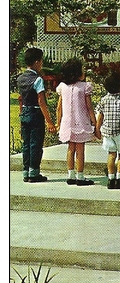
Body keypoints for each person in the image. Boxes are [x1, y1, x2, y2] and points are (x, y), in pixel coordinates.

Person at [17, 47, 57, 182]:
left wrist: (21, 112)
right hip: (35, 113)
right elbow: (42, 101)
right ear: (36, 62)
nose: (41, 64)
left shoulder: (21, 78)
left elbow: (21, 98)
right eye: (41, 61)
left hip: (25, 113)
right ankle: (34, 173)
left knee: (26, 144)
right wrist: (49, 121)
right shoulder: (38, 80)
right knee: (36, 144)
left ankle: (26, 172)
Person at [56, 57, 96, 186]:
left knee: (70, 148)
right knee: (80, 149)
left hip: (67, 123)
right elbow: (89, 107)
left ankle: (70, 175)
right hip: (81, 122)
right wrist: (94, 122)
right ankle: (80, 175)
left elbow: (59, 108)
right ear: (77, 73)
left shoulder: (63, 87)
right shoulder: (85, 87)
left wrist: (58, 123)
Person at [95, 71, 120, 190]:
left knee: (111, 155)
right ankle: (119, 178)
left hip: (108, 132)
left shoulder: (104, 99)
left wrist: (97, 129)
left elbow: (100, 116)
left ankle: (111, 179)